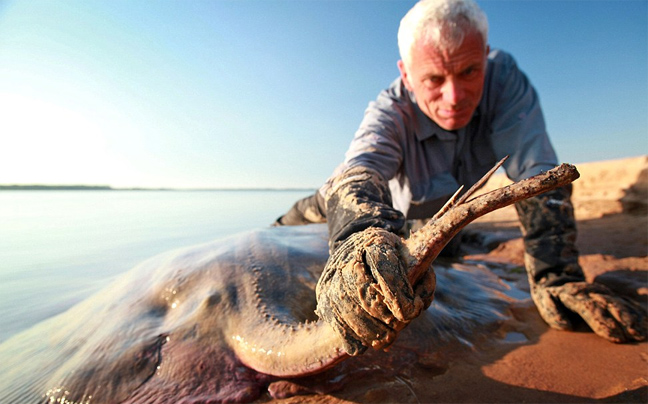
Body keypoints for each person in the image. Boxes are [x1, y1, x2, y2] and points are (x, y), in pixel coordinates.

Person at [276, 0, 646, 355]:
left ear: (485, 54)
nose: (454, 97)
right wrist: (356, 245)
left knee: (454, 247)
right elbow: (359, 172)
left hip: (442, 215)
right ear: (406, 74)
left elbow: (537, 171)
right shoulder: (389, 111)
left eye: (469, 72)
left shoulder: (506, 81)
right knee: (322, 201)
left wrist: (557, 275)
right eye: (434, 79)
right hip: (387, 212)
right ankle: (275, 225)